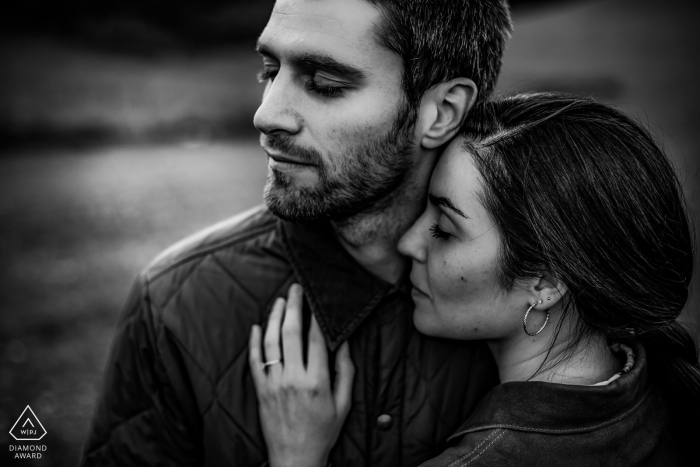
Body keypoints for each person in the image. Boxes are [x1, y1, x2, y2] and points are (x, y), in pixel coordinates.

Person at [80, 0, 512, 465]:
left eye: (324, 84)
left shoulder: (533, 291)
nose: (266, 116)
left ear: (443, 111)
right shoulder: (175, 303)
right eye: (269, 70)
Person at [250, 93, 700, 466]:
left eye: (444, 229)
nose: (408, 241)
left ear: (544, 283)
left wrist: (296, 457)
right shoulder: (663, 397)